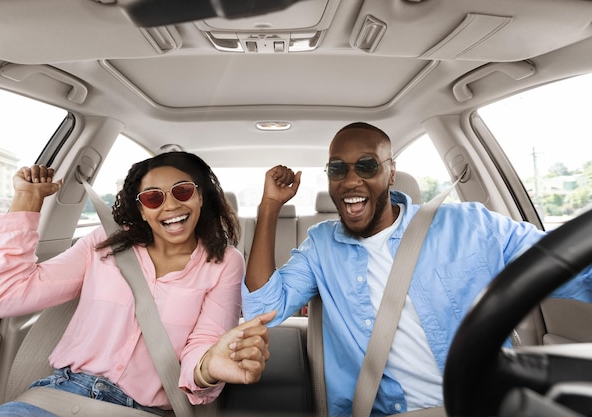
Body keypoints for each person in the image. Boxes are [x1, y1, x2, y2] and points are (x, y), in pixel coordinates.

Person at [242, 122, 592, 416]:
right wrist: (270, 204)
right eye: (338, 168)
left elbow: (573, 271)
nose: (350, 181)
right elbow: (262, 308)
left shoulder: (470, 225)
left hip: (484, 405)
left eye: (367, 166)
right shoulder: (321, 246)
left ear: (391, 172)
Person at [0, 151, 276, 417]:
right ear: (142, 209)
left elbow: (204, 344)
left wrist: (209, 367)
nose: (170, 205)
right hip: (57, 395)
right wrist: (27, 200)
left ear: (201, 196)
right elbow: (0, 297)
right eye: (153, 197)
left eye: (182, 191)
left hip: (141, 409)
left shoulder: (225, 261)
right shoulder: (103, 242)